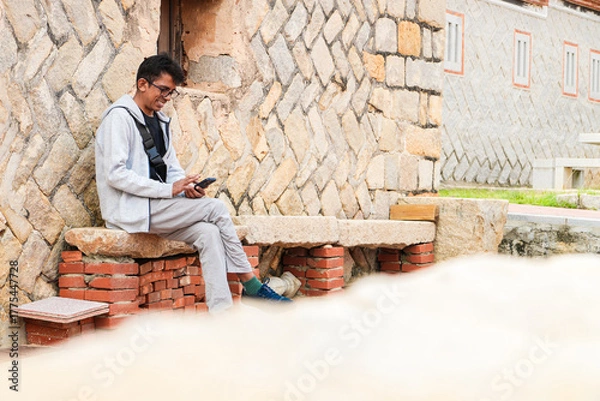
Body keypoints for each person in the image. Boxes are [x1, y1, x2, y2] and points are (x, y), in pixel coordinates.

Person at [95, 53, 291, 313]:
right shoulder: (119, 118)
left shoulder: (161, 121)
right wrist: (169, 189)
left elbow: (170, 167)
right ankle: (252, 285)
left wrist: (185, 188)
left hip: (157, 207)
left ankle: (222, 313)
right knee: (217, 209)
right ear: (142, 84)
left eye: (171, 93)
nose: (165, 98)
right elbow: (115, 175)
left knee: (208, 233)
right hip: (131, 209)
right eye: (162, 90)